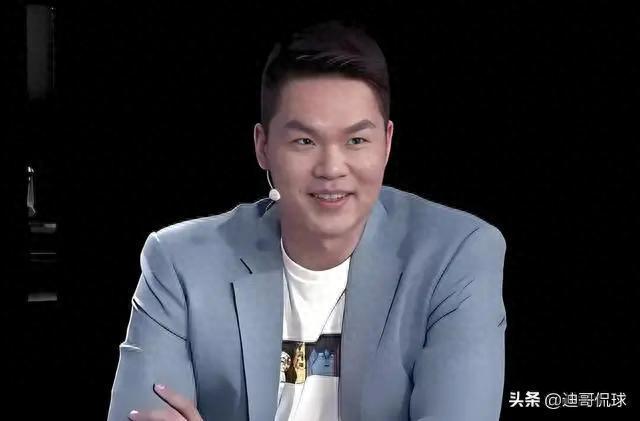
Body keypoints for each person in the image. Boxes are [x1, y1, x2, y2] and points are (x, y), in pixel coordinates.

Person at [107, 19, 507, 421]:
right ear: (263, 147)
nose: (331, 168)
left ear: (387, 143)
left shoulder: (455, 255)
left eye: (356, 140)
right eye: (304, 141)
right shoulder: (180, 262)